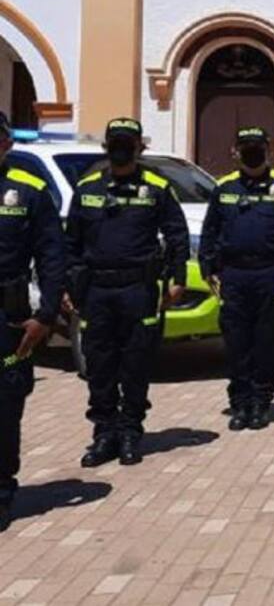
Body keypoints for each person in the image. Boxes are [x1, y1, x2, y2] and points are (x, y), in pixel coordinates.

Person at [66, 118, 188, 467]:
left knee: (136, 363)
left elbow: (177, 236)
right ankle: (104, 434)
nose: (122, 148)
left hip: (138, 289)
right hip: (97, 292)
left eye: (128, 143)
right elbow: (70, 242)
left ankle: (132, 432)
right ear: (106, 147)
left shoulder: (157, 188)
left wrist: (177, 278)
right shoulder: (87, 188)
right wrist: (67, 285)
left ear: (140, 148)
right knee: (100, 365)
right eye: (115, 142)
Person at [199, 127, 274, 431]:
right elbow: (209, 233)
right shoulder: (223, 188)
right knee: (237, 343)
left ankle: (261, 403)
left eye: (257, 146)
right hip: (234, 277)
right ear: (235, 151)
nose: (252, 152)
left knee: (266, 342)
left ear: (268, 148)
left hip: (270, 276)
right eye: (245, 147)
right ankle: (239, 403)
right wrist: (208, 268)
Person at [0, 112, 66, 532]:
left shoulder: (31, 190)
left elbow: (52, 256)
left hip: (8, 320)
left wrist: (45, 316)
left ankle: (2, 492)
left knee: (5, 407)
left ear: (6, 143)